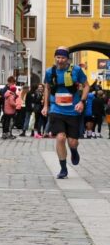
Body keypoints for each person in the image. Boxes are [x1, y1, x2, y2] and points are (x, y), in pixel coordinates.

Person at [43, 47, 88, 179]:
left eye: (63, 58)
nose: (60, 60)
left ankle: (74, 151)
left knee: (72, 142)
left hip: (73, 110)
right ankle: (63, 168)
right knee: (60, 138)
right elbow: (47, 87)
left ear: (67, 59)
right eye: (58, 57)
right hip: (56, 109)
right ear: (55, 58)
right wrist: (45, 106)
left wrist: (82, 102)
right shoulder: (50, 71)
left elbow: (86, 85)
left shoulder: (76, 70)